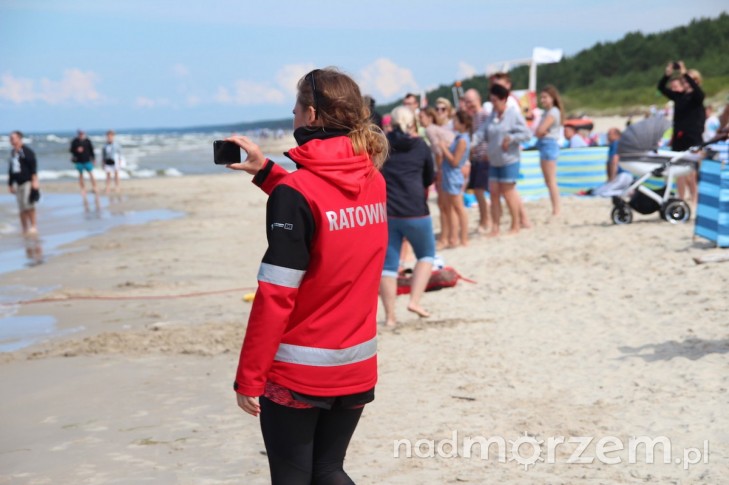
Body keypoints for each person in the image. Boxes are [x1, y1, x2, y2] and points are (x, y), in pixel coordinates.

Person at [225, 67, 389, 485]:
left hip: (300, 371)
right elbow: (325, 210)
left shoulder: (296, 194)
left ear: (312, 115)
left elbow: (276, 296)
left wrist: (249, 376)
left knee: (294, 477)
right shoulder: (373, 179)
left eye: (296, 108)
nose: (293, 115)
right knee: (328, 470)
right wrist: (267, 172)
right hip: (356, 363)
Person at [380, 106, 436, 327]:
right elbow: (429, 177)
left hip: (389, 211)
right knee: (426, 255)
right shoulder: (420, 145)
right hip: (415, 210)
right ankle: (414, 301)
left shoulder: (384, 144)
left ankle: (390, 317)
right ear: (413, 123)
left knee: (388, 266)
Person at [476, 84, 532, 236]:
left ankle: (515, 224)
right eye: (491, 100)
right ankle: (495, 227)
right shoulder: (492, 116)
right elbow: (481, 133)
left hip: (509, 160)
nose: (493, 103)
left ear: (503, 99)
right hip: (494, 160)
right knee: (494, 193)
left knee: (508, 193)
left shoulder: (513, 114)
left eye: (495, 100)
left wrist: (511, 138)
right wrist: (470, 143)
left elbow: (527, 134)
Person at [658, 61, 705, 205]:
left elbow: (698, 92)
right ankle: (681, 198)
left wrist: (685, 73)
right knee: (678, 170)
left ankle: (695, 198)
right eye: (684, 80)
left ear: (696, 81)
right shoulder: (679, 96)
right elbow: (661, 88)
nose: (685, 81)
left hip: (693, 137)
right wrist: (668, 74)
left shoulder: (697, 97)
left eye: (688, 79)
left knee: (691, 171)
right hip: (679, 137)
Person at [420, 105, 455, 247]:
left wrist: (439, 171)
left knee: (444, 205)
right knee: (448, 205)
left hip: (445, 168)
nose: (419, 120)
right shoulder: (436, 128)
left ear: (430, 117)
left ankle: (446, 237)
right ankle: (449, 236)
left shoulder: (430, 129)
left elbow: (439, 151)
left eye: (421, 117)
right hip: (451, 166)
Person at [439, 109, 472, 247]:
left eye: (456, 120)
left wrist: (444, 148)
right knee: (450, 207)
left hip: (454, 176)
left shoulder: (462, 140)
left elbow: (455, 162)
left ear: (463, 123)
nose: (454, 122)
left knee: (459, 208)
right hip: (449, 175)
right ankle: (453, 238)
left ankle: (464, 238)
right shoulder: (459, 138)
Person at [463, 88, 491, 234]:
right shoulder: (473, 116)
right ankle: (484, 219)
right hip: (476, 158)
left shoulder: (485, 115)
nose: (469, 104)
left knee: (480, 191)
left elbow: (491, 135)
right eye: (466, 102)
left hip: (484, 157)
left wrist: (488, 152)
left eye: (471, 101)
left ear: (478, 100)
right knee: (477, 191)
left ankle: (486, 220)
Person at [577, 128, 634, 197]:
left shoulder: (616, 143)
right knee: (601, 190)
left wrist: (612, 178)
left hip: (622, 175)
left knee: (600, 193)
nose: (607, 137)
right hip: (625, 175)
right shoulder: (618, 144)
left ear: (617, 135)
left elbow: (614, 161)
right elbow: (609, 163)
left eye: (609, 135)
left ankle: (628, 193)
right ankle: (627, 192)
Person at [535, 85, 564, 216]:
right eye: (541, 97)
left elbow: (539, 130)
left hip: (549, 144)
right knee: (549, 181)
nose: (542, 100)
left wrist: (541, 131)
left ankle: (556, 209)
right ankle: (555, 208)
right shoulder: (548, 112)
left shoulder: (552, 112)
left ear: (552, 98)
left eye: (545, 97)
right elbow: (539, 131)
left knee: (551, 180)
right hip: (547, 144)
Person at [7, 130, 40, 235]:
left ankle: (33, 226)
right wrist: (10, 184)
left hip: (27, 181)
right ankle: (24, 228)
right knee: (21, 207)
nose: (11, 140)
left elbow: (33, 167)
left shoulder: (26, 151)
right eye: (10, 138)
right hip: (18, 183)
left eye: (13, 138)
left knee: (28, 204)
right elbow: (11, 170)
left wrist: (35, 181)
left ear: (19, 138)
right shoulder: (13, 152)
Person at [69, 129, 100, 210]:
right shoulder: (75, 141)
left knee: (91, 174)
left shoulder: (87, 141)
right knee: (80, 175)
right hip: (79, 161)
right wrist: (76, 150)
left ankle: (95, 187)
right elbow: (71, 150)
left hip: (87, 160)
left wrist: (93, 159)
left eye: (82, 133)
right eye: (80, 133)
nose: (81, 135)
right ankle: (83, 189)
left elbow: (91, 150)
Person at [102, 130, 123, 194]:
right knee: (108, 174)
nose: (109, 137)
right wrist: (103, 163)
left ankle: (117, 187)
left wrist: (120, 161)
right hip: (108, 160)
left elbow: (120, 153)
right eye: (108, 136)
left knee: (116, 174)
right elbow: (103, 155)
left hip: (115, 160)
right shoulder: (105, 145)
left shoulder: (116, 144)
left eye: (111, 136)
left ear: (113, 136)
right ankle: (108, 187)